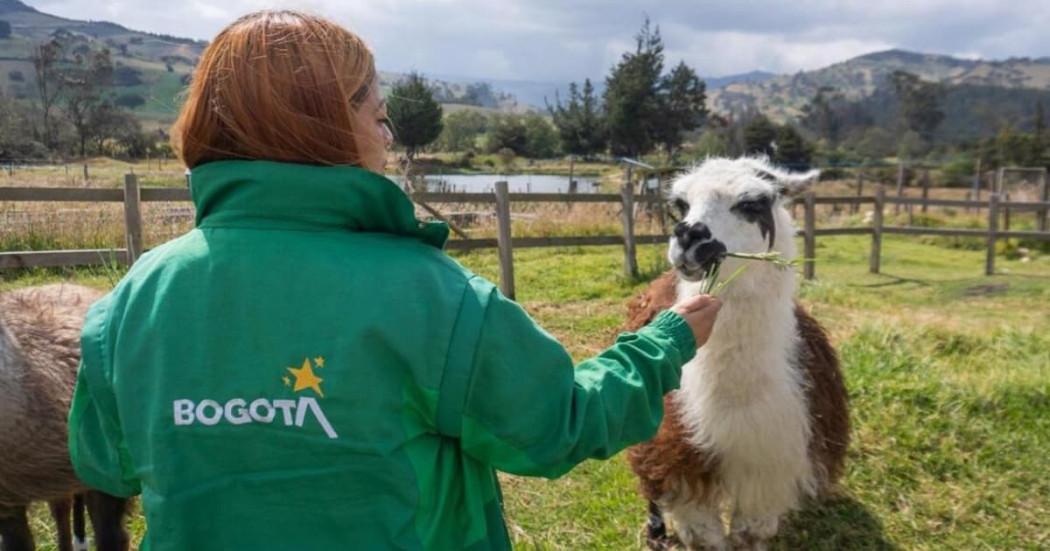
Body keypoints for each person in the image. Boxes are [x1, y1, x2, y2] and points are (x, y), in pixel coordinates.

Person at [67, 10, 721, 551]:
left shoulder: (134, 300)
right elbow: (555, 423)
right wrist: (660, 344)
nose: (384, 138)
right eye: (378, 115)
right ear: (325, 126)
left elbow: (107, 462)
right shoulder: (431, 294)